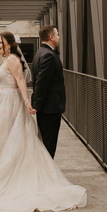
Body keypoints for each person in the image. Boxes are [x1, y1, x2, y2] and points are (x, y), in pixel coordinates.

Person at [0, 31, 86, 212]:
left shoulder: (12, 59)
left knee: (6, 140)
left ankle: (4, 176)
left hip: (10, 104)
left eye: (0, 42)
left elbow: (21, 80)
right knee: (1, 141)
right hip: (3, 103)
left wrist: (28, 102)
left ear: (9, 44)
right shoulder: (8, 59)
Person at [29, 25, 64, 158]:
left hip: (46, 107)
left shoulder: (40, 52)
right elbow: (42, 83)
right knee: (49, 144)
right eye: (57, 34)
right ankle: (47, 174)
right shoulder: (49, 55)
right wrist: (37, 105)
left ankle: (45, 172)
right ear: (51, 37)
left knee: (45, 142)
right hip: (50, 107)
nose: (59, 37)